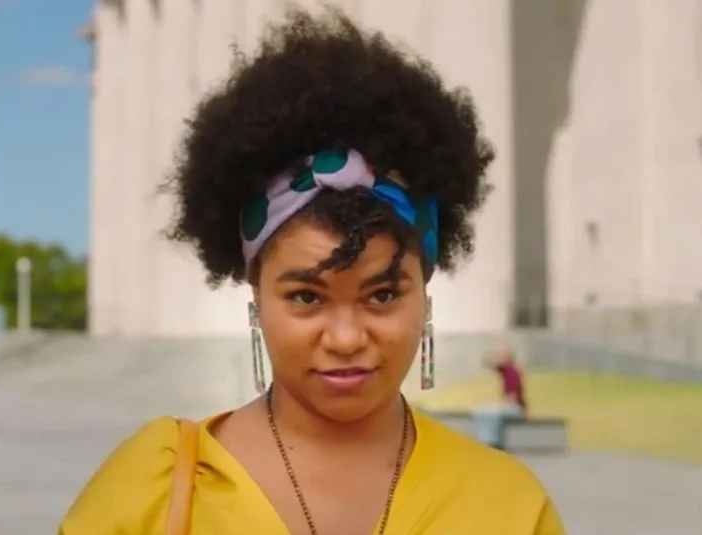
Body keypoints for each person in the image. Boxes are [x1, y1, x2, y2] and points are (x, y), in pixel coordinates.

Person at [59, 7, 565, 535]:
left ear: (425, 294)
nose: (346, 338)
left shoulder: (507, 507)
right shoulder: (155, 491)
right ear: (256, 296)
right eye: (307, 297)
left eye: (382, 295)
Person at [473, 347, 528, 449]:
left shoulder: (512, 371)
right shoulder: (506, 370)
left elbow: (512, 398)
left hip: (516, 409)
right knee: (482, 412)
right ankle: (487, 441)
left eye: (501, 356)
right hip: (513, 407)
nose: (498, 359)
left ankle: (493, 443)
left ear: (508, 358)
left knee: (489, 413)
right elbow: (494, 366)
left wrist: (501, 405)